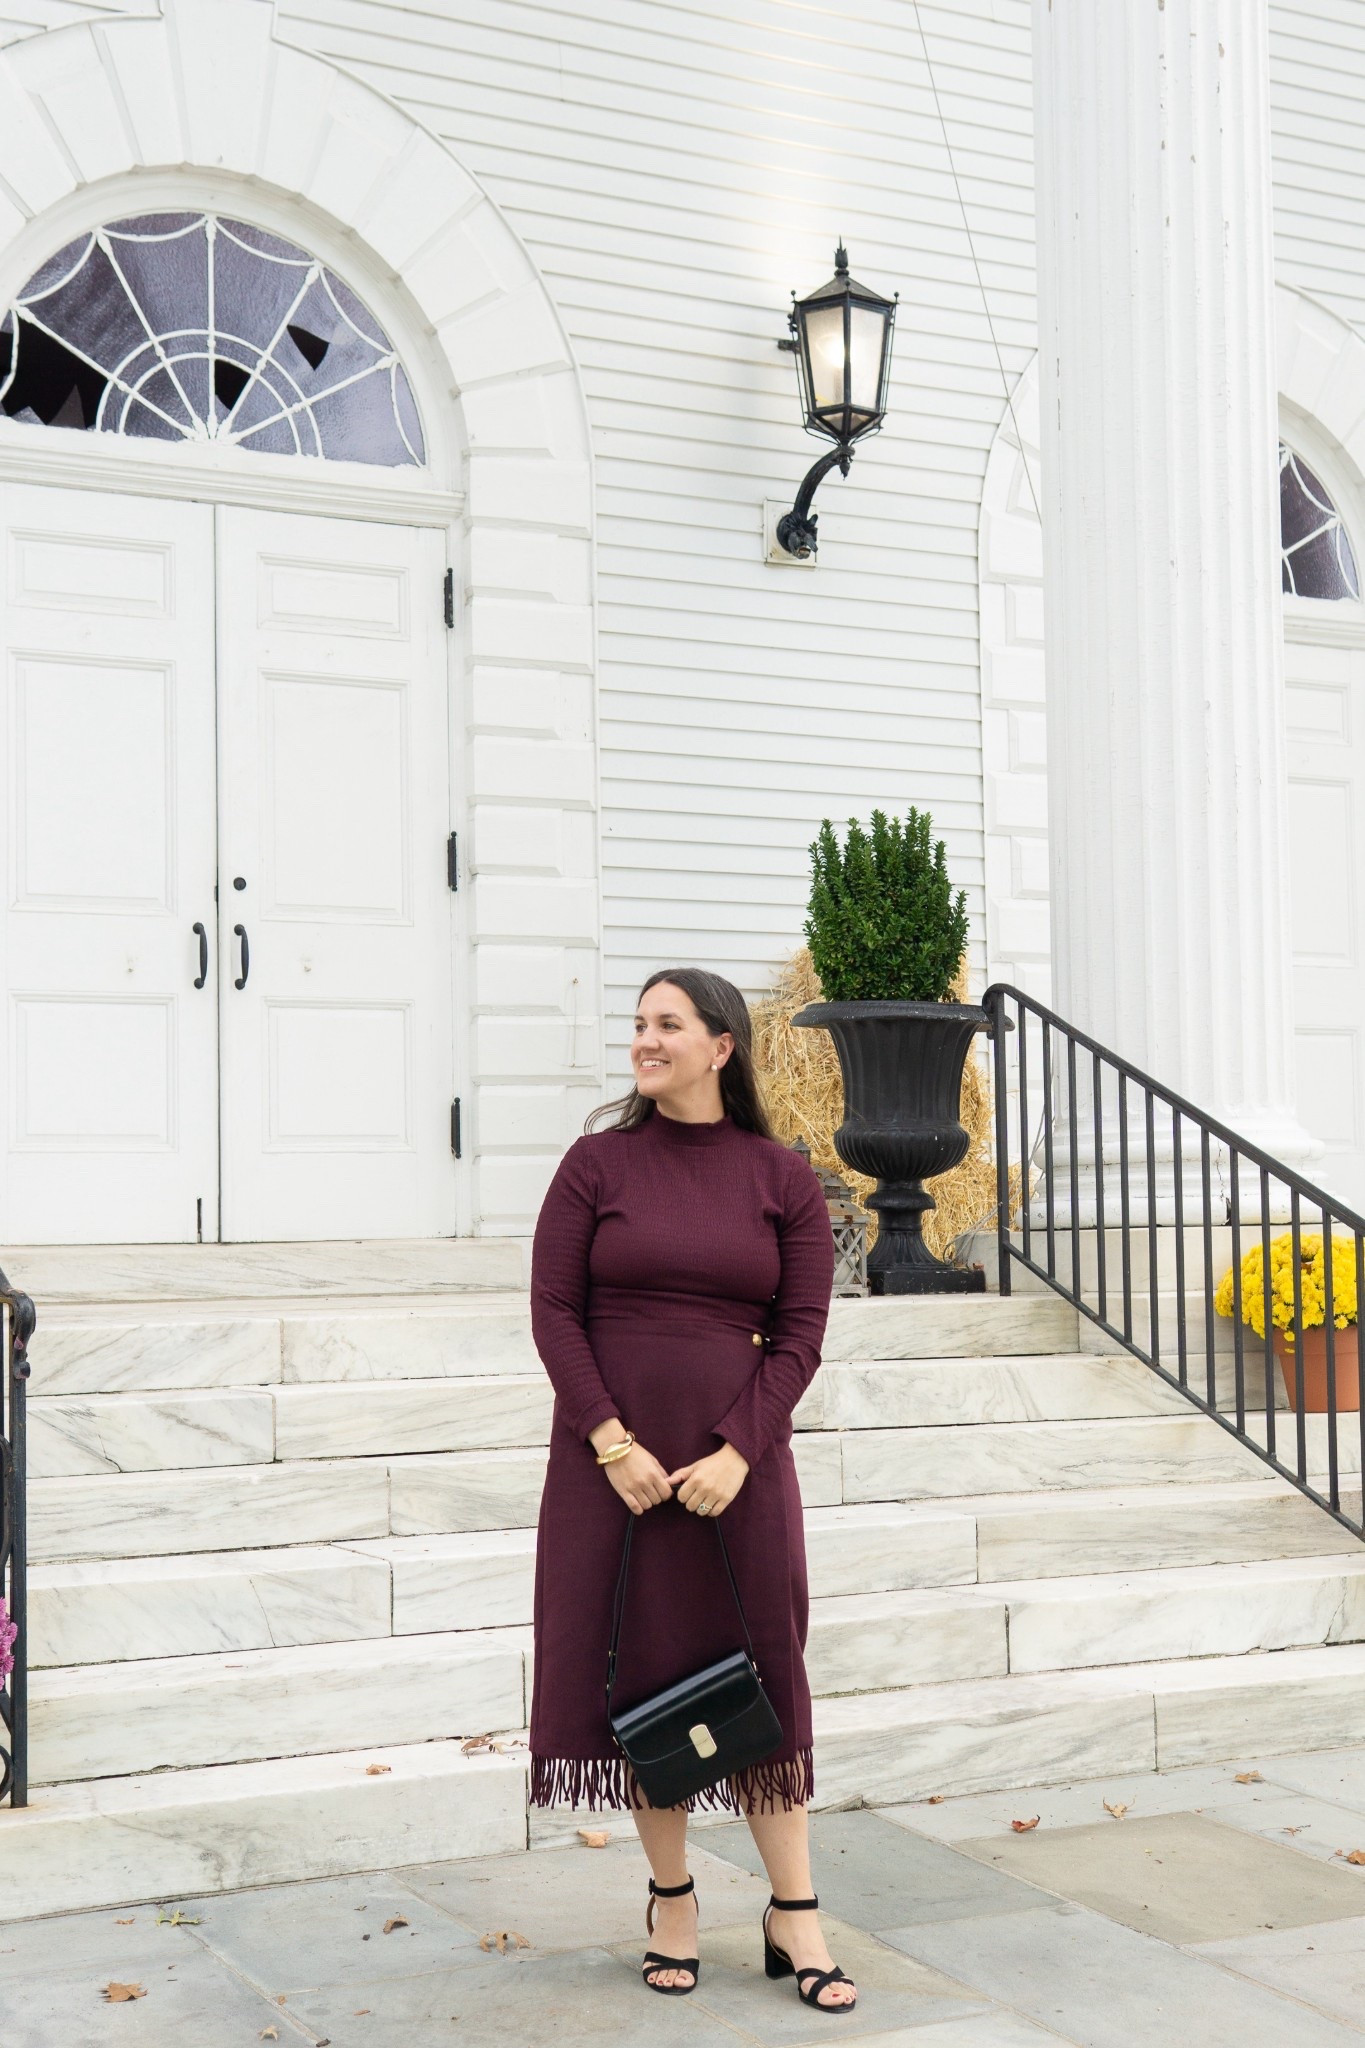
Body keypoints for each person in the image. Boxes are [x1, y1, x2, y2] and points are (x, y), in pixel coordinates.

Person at [528, 966, 855, 2012]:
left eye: (665, 1023)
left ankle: (792, 1904)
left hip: (738, 1470)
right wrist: (610, 1440)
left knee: (766, 1667)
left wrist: (739, 1449)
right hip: (609, 1472)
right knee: (641, 1672)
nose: (643, 1039)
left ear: (723, 1045)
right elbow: (553, 1313)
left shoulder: (783, 1178)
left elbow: (801, 1335)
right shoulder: (594, 1164)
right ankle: (672, 1896)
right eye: (636, 1023)